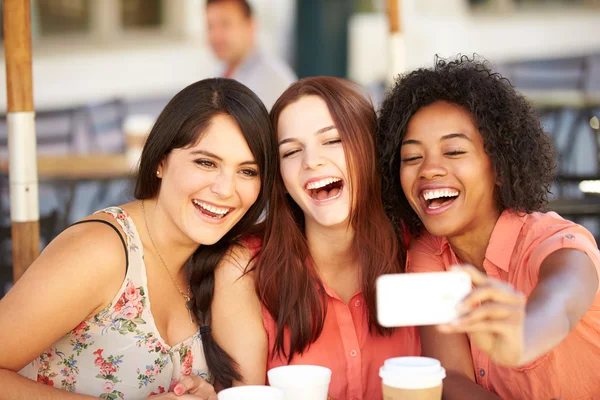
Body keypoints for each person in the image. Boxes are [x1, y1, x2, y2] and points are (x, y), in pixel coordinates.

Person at [0, 78, 276, 399]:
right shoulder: (100, 252)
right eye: (206, 162)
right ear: (161, 161)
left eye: (247, 171)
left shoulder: (218, 261)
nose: (225, 189)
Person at [377, 55, 600, 400]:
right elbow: (451, 376)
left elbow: (563, 301)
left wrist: (524, 336)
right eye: (411, 157)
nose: (430, 169)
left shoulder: (555, 243)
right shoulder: (430, 254)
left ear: (499, 167)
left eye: (453, 151)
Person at [211, 77, 420, 400]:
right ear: (279, 178)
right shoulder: (244, 269)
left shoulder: (419, 252)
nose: (311, 161)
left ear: (370, 147)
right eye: (291, 151)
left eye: (332, 140)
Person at [206, 0, 296, 110]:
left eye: (225, 24)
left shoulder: (272, 81)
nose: (216, 35)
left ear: (250, 26)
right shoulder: (219, 74)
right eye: (210, 26)